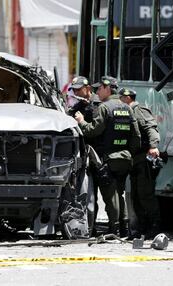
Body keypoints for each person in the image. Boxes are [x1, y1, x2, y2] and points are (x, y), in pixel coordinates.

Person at [75, 76, 141, 237]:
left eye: (99, 88)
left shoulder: (105, 107)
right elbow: (136, 136)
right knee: (120, 193)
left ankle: (115, 229)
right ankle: (125, 229)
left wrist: (81, 121)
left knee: (111, 196)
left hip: (108, 159)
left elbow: (92, 130)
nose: (97, 91)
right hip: (124, 158)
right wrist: (128, 153)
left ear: (107, 88)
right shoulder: (127, 108)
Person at [119, 88, 161, 239]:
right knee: (136, 196)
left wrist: (154, 145)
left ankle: (154, 227)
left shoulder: (139, 110)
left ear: (128, 98)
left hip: (144, 160)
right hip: (135, 160)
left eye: (121, 97)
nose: (120, 100)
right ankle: (142, 228)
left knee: (145, 195)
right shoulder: (128, 112)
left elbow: (151, 128)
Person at [67, 76, 101, 235]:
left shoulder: (100, 105)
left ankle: (119, 228)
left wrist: (82, 120)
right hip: (87, 158)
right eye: (74, 90)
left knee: (112, 197)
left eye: (79, 89)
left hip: (103, 158)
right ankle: (89, 229)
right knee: (88, 196)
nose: (76, 92)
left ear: (88, 89)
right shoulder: (77, 108)